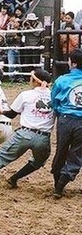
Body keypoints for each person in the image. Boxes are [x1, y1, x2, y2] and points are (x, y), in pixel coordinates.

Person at [0, 68, 54, 188]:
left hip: (25, 134)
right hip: (44, 137)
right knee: (39, 161)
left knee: (2, 155)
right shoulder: (54, 96)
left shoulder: (26, 95)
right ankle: (14, 178)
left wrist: (1, 111)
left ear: (36, 81)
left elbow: (12, 114)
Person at [49, 48, 82, 198]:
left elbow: (54, 101)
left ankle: (58, 184)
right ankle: (63, 181)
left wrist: (59, 113)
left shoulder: (62, 80)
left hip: (65, 119)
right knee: (76, 154)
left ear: (73, 63)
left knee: (61, 150)